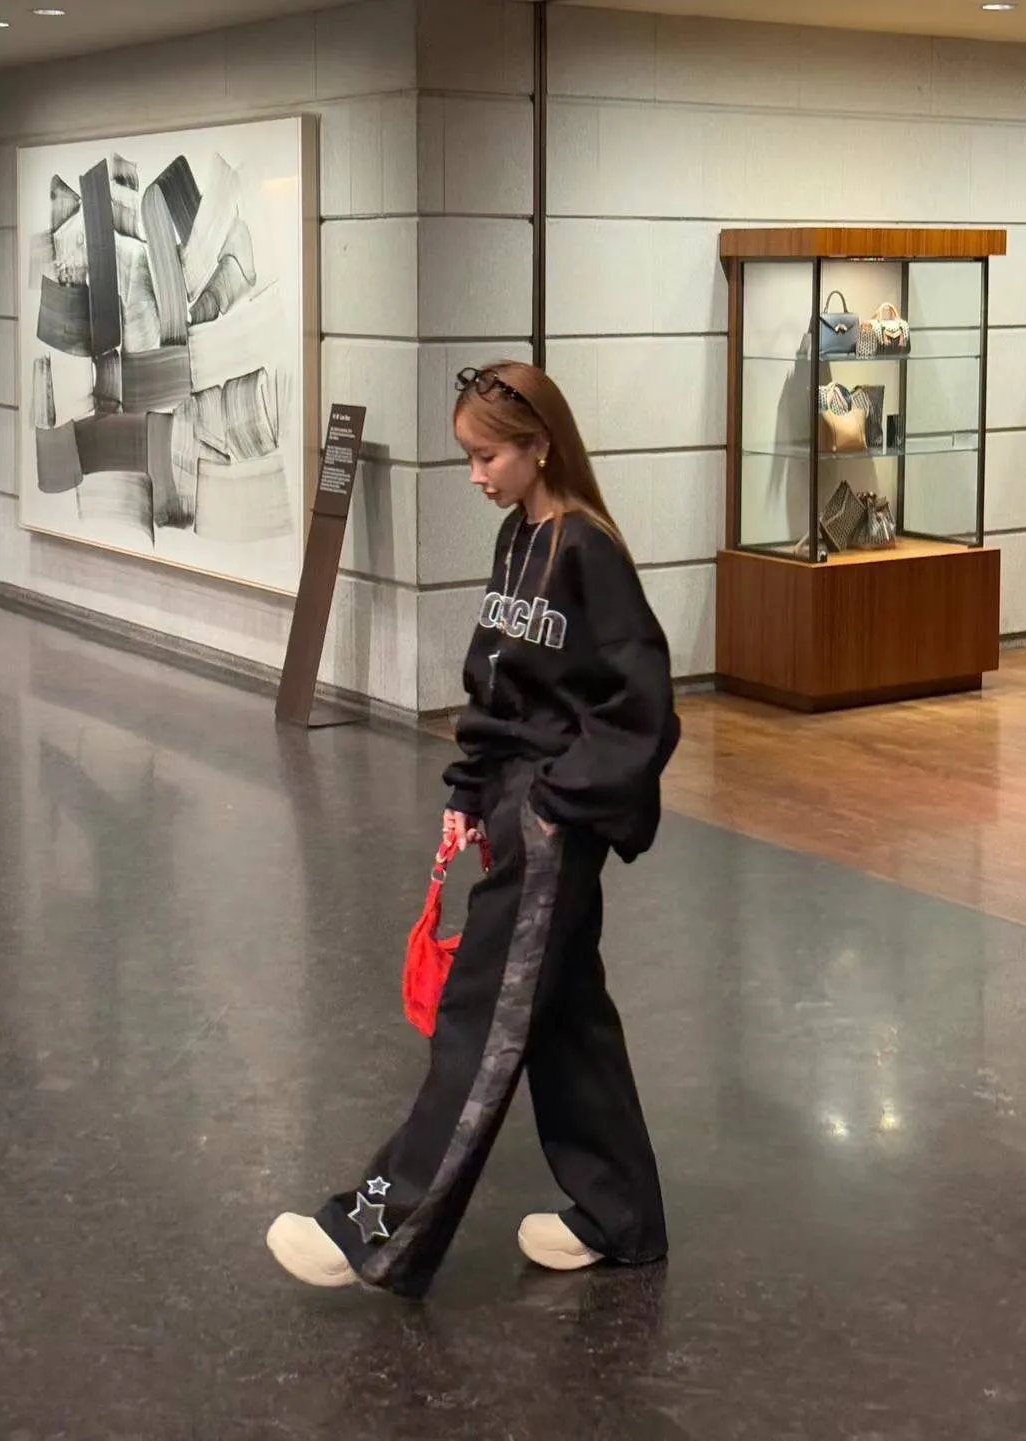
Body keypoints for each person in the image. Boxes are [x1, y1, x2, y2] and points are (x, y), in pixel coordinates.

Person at [267, 362, 680, 1300]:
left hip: (551, 823)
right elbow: (498, 682)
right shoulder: (517, 538)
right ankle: (620, 1214)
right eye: (469, 456)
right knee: (565, 1014)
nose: (476, 474)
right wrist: (470, 788)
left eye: (488, 456)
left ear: (540, 447)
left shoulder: (589, 552)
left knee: (482, 1021)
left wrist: (557, 799)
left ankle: (372, 1230)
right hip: (513, 807)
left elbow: (644, 703)